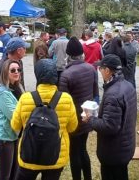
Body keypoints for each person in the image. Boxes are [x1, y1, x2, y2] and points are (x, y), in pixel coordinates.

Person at [10, 59, 78, 180]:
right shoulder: (66, 99)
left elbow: (15, 126)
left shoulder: (26, 98)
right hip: (56, 155)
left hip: (29, 153)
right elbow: (72, 127)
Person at [83, 54, 137, 180]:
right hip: (125, 146)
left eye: (100, 68)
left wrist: (90, 119)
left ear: (107, 70)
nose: (99, 71)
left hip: (113, 152)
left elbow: (109, 126)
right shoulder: (128, 85)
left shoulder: (113, 94)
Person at [58, 37, 97, 180]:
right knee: (83, 149)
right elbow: (95, 94)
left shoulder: (66, 74)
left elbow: (63, 103)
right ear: (82, 54)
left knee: (74, 152)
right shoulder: (91, 68)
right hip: (87, 116)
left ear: (68, 55)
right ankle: (88, 177)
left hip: (73, 120)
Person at [0, 59, 25, 180]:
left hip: (14, 136)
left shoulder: (18, 87)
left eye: (18, 69)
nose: (17, 72)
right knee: (4, 176)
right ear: (6, 72)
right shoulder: (2, 93)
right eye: (13, 70)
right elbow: (14, 115)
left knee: (14, 173)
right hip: (3, 139)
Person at [0, 38, 29, 115]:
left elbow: (21, 86)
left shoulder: (19, 63)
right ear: (19, 51)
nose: (26, 51)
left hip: (16, 110)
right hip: (5, 114)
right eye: (25, 48)